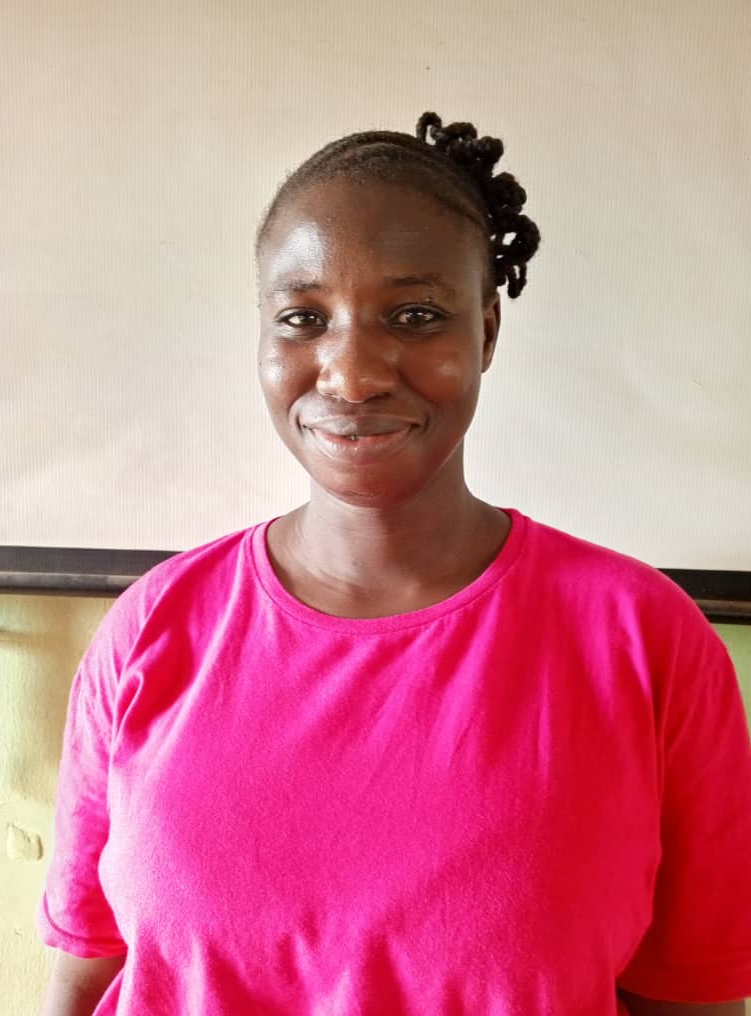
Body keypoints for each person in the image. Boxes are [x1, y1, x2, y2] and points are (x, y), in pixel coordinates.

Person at [37, 112, 751, 1015]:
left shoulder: (646, 642)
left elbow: (691, 995)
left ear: (486, 331)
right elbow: (87, 969)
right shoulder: (153, 626)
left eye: (415, 316)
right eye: (303, 318)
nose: (352, 374)